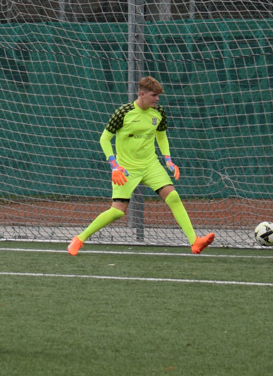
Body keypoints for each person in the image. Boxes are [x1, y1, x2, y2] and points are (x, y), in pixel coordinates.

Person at [68, 76, 214, 257]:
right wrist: (114, 165)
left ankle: (194, 241)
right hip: (126, 168)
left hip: (150, 165)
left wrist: (168, 160)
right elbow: (104, 139)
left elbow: (161, 135)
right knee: (117, 212)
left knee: (173, 196)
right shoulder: (123, 113)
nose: (157, 99)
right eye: (154, 95)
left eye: (158, 96)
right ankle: (79, 239)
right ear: (142, 94)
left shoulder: (158, 112)